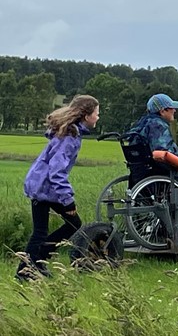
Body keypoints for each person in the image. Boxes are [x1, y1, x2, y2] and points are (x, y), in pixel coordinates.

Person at [16, 95, 100, 281]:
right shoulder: (69, 138)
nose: (98, 117)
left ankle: (34, 265)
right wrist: (68, 201)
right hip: (44, 188)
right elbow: (57, 173)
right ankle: (28, 269)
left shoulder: (70, 133)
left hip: (41, 186)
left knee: (45, 230)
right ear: (86, 116)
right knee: (69, 224)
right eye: (96, 113)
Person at [127, 93, 178, 181]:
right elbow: (164, 154)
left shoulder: (141, 124)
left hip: (141, 170)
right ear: (162, 111)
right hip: (159, 171)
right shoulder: (158, 125)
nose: (174, 110)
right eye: (171, 108)